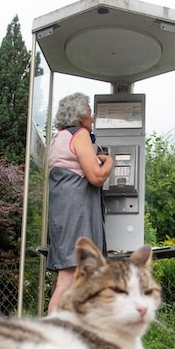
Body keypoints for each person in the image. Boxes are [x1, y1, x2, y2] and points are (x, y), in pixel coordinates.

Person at [46, 92, 114, 313]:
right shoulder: (80, 135)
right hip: (77, 216)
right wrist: (109, 162)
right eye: (90, 113)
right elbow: (96, 177)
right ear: (81, 114)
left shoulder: (59, 137)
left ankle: (62, 332)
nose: (92, 118)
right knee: (69, 281)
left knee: (67, 280)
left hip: (63, 216)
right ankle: (56, 335)